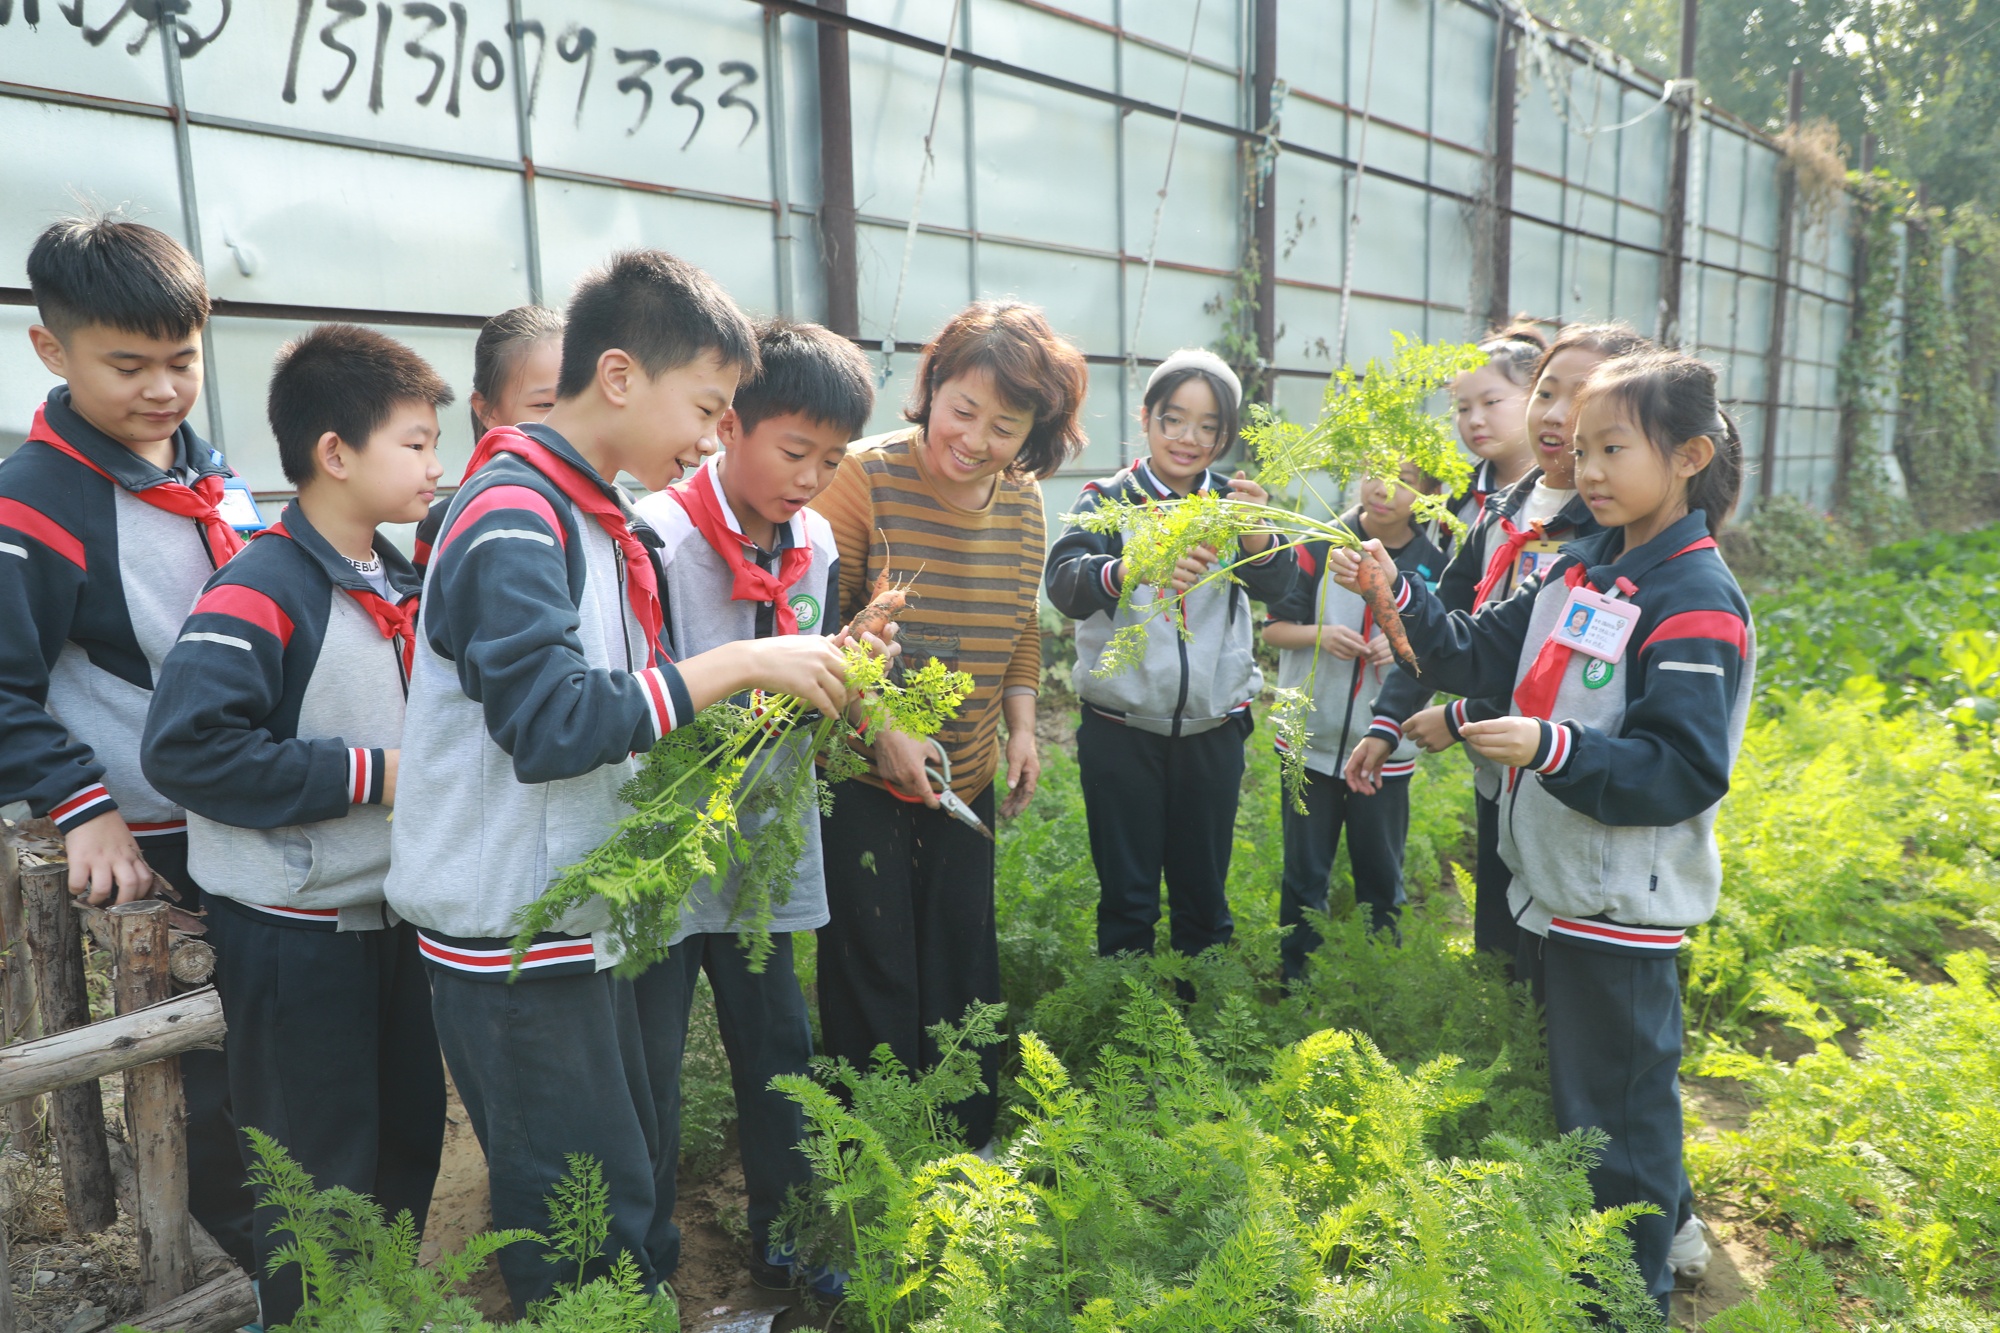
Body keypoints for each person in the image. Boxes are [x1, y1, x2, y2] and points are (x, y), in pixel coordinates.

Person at [384, 249, 859, 1308]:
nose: (708, 434)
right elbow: (551, 724)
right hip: (513, 927)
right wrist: (740, 660)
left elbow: (622, 715)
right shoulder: (513, 512)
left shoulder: (597, 518)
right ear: (616, 377)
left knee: (618, 1187)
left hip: (578, 917)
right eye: (706, 404)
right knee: (576, 1221)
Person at [1328, 349, 1752, 1317]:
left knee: (1621, 1125)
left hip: (1622, 901)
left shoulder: (1691, 598)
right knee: (1591, 1112)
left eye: (1613, 447)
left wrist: (1550, 746)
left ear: (1686, 455)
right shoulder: (1584, 563)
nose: (1588, 468)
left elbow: (1681, 768)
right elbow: (1475, 649)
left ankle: (1624, 1299)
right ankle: (1604, 1284)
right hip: (1566, 886)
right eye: (1583, 447)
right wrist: (1397, 594)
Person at [140, 324, 452, 1324]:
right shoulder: (262, 587)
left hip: (396, 919)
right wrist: (374, 773)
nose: (435, 466)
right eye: (415, 441)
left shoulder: (397, 576)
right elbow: (188, 750)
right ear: (334, 452)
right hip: (296, 935)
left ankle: (381, 1308)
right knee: (315, 1175)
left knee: (406, 1141)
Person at [0, 216, 255, 1267]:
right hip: (153, 827)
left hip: (246, 802)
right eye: (129, 365)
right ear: (52, 351)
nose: (161, 388)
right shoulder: (38, 499)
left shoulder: (207, 468)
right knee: (210, 1069)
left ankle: (309, 1239)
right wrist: (84, 805)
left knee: (269, 1036)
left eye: (182, 360)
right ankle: (249, 1261)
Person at [629, 319, 876, 1297]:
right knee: (645, 1057)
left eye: (832, 458)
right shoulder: (657, 534)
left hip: (767, 837)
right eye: (793, 450)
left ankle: (795, 1237)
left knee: (779, 1047)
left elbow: (801, 674)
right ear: (728, 425)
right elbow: (640, 689)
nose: (811, 477)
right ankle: (642, 1258)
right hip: (659, 839)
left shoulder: (812, 541)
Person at [810, 299, 1086, 1152]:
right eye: (963, 410)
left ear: (1035, 433)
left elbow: (1019, 624)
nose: (974, 439)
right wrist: (882, 727)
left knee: (963, 959)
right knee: (874, 962)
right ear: (931, 388)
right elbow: (828, 627)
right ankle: (870, 1152)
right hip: (863, 771)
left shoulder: (1024, 500)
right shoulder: (863, 476)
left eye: (1005, 427)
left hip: (963, 771)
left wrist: (1024, 727)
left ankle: (962, 1151)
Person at [1356, 323, 1650, 959]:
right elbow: (1462, 632)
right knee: (1503, 938)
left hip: (1570, 778)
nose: (1557, 414)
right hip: (1502, 769)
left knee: (1558, 944)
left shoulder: (1611, 537)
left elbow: (1566, 681)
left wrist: (1462, 715)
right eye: (1547, 392)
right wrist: (1388, 721)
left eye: (1581, 397)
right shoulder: (1499, 509)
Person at [1046, 349, 1296, 960]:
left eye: (1209, 426)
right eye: (1174, 419)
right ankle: (1128, 1023)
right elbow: (1064, 584)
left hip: (1213, 731)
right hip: (1121, 731)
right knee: (1128, 898)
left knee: (1203, 896)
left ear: (1226, 435)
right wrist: (1130, 568)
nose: (1190, 438)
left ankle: (1198, 1018)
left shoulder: (1234, 506)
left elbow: (1281, 586)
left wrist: (1261, 537)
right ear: (1147, 418)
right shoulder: (1107, 498)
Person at [1262, 461, 1445, 982]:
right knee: (1304, 876)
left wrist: (1405, 642)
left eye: (1406, 479)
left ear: (1431, 492)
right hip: (1309, 743)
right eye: (1374, 471)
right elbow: (1274, 629)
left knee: (1381, 876)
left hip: (1387, 750)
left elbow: (1446, 646)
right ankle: (1297, 984)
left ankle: (1376, 985)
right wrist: (1319, 634)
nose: (1384, 489)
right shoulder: (1319, 543)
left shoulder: (1436, 562)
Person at [414, 303, 563, 573]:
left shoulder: (620, 508)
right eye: (545, 405)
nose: (568, 419)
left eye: (578, 399)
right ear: (487, 410)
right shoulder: (451, 519)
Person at [1439, 322, 1544, 544]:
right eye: (1463, 409)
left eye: (1491, 402)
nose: (1475, 420)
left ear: (1537, 395)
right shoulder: (1461, 497)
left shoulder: (1568, 486)